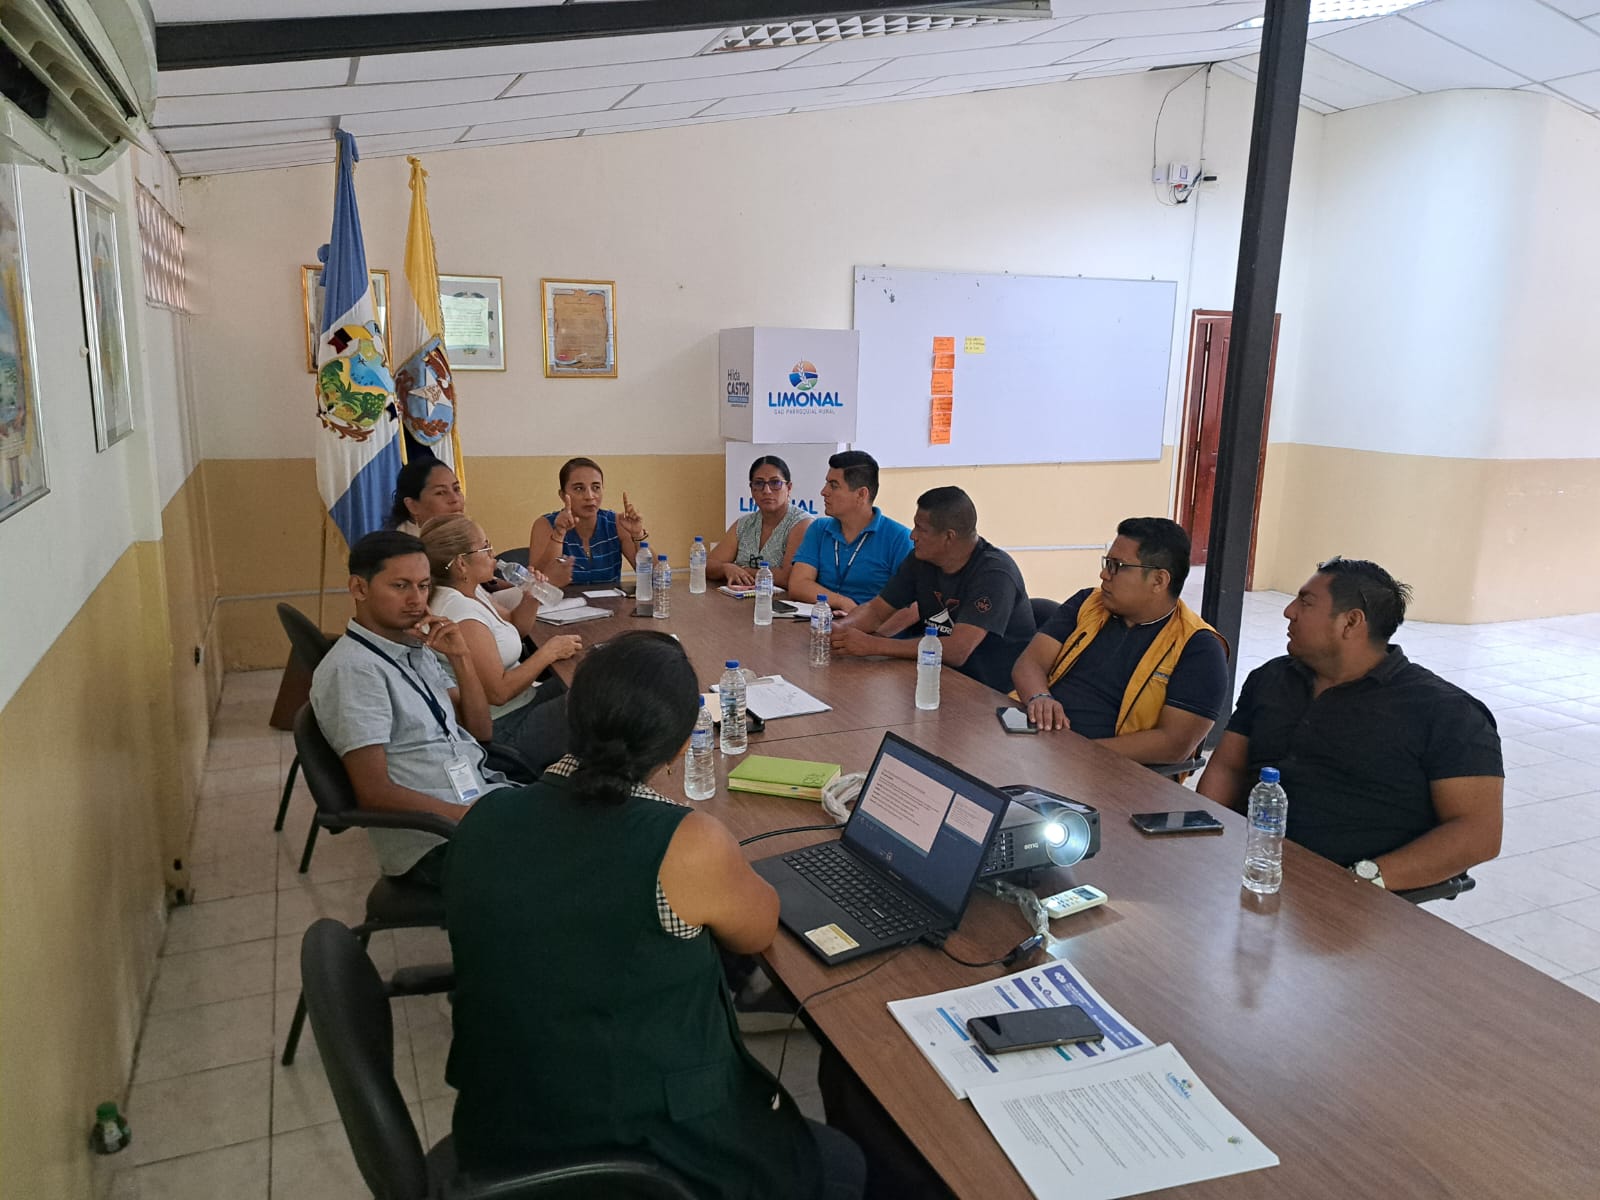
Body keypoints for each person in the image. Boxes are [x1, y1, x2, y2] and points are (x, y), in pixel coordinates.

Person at [444, 632, 865, 1200]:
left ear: (571, 714)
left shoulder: (484, 814)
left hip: (499, 1120)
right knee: (842, 1163)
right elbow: (758, 930)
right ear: (680, 745)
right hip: (637, 1148)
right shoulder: (686, 843)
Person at [1197, 558, 1503, 891]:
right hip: (1246, 867)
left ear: (1351, 622)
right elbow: (1227, 767)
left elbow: (1479, 834)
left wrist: (1363, 879)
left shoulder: (1447, 713)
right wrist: (1206, 839)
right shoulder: (1271, 678)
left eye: (1306, 602)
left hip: (1349, 894)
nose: (1289, 611)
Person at [309, 530, 507, 887]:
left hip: (476, 799)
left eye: (424, 586)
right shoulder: (354, 671)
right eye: (400, 586)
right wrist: (469, 818)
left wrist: (461, 657)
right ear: (359, 588)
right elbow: (374, 793)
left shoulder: (413, 647)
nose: (416, 600)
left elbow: (481, 731)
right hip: (436, 843)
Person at [1010, 517, 1228, 765]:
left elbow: (1173, 744)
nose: (1104, 574)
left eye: (1117, 566)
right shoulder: (1088, 603)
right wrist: (1039, 697)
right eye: (1107, 563)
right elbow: (1030, 663)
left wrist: (1077, 752)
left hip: (1107, 768)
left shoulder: (1199, 648)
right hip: (1038, 739)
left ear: (1158, 581)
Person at [829, 486, 1034, 692]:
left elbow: (958, 650)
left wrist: (874, 645)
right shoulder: (922, 560)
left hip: (989, 691)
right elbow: (876, 610)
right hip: (933, 676)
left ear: (949, 537)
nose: (912, 535)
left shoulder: (995, 574)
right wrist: (838, 629)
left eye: (921, 529)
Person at [420, 514, 582, 772]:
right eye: (485, 547)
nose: (493, 554)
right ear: (461, 563)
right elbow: (498, 693)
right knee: (602, 700)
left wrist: (532, 595)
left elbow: (515, 627)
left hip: (524, 700)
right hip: (506, 726)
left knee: (593, 677)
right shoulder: (460, 612)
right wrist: (548, 652)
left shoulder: (471, 590)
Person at [787, 450, 913, 612]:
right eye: (826, 483)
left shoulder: (899, 538)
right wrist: (843, 603)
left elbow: (910, 606)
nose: (824, 492)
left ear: (861, 494)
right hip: (822, 620)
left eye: (834, 486)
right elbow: (798, 585)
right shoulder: (819, 529)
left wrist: (860, 619)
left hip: (872, 625)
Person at [527, 456, 646, 587]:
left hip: (611, 600)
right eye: (579, 488)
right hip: (563, 600)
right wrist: (558, 534)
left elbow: (652, 577)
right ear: (563, 495)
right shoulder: (546, 524)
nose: (589, 496)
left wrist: (638, 534)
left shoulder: (617, 523)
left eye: (596, 487)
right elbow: (538, 585)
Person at [706, 454, 812, 588]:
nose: (767, 491)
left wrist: (743, 570)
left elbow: (788, 578)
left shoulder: (802, 523)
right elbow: (707, 565)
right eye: (759, 483)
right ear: (751, 489)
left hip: (781, 600)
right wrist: (726, 568)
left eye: (775, 483)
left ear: (789, 488)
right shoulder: (745, 523)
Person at [387, 453, 463, 535]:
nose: (455, 499)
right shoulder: (399, 542)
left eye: (456, 489)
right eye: (440, 493)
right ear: (412, 505)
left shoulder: (466, 536)